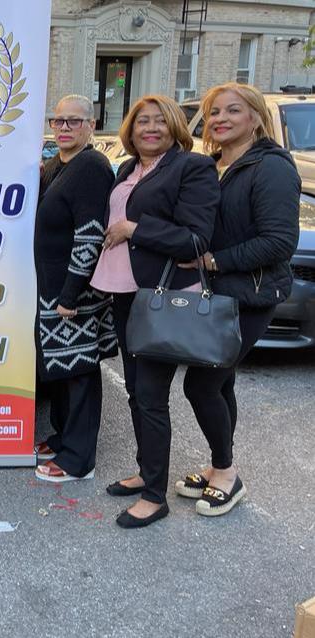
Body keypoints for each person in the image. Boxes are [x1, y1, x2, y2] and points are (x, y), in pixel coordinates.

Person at [91, 95, 220, 528]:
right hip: (126, 293)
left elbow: (196, 239)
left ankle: (154, 495)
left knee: (149, 396)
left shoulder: (191, 167)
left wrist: (135, 229)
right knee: (135, 392)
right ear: (129, 129)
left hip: (158, 295)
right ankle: (147, 472)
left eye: (160, 121)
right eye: (142, 120)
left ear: (175, 127)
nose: (150, 128)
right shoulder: (129, 169)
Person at [174, 82, 300, 516]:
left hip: (250, 295)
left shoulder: (271, 168)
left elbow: (279, 241)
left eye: (233, 110)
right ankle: (217, 466)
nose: (220, 119)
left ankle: (227, 472)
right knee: (220, 380)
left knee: (201, 382)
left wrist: (213, 261)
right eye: (213, 113)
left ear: (255, 118)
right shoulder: (211, 166)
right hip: (215, 296)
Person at [33, 95, 117, 483]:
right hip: (52, 287)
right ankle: (63, 436)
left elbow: (89, 235)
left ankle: (79, 460)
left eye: (73, 121)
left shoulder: (92, 167)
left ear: (91, 125)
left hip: (74, 291)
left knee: (79, 371)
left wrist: (70, 294)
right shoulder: (58, 164)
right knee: (60, 369)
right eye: (58, 120)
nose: (64, 127)